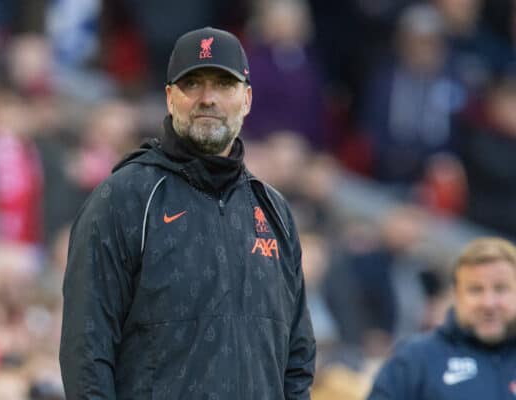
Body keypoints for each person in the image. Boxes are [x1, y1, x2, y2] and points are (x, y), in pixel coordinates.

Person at [59, 27, 316, 399]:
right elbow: (86, 351)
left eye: (223, 85)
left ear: (246, 99)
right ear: (169, 98)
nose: (207, 98)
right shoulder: (124, 197)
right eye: (192, 83)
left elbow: (297, 360)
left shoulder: (273, 211)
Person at [367, 237, 516, 400]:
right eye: (475, 290)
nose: (488, 303)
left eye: (501, 289)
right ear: (456, 295)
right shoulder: (415, 359)